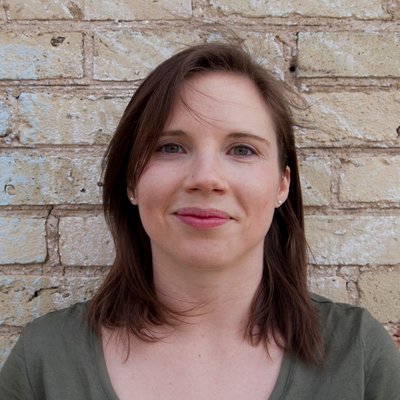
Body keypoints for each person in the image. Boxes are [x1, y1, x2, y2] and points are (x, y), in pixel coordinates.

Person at [0, 43, 399, 400]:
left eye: (242, 149)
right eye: (170, 147)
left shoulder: (358, 356)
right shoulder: (46, 363)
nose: (206, 178)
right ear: (131, 180)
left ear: (282, 185)